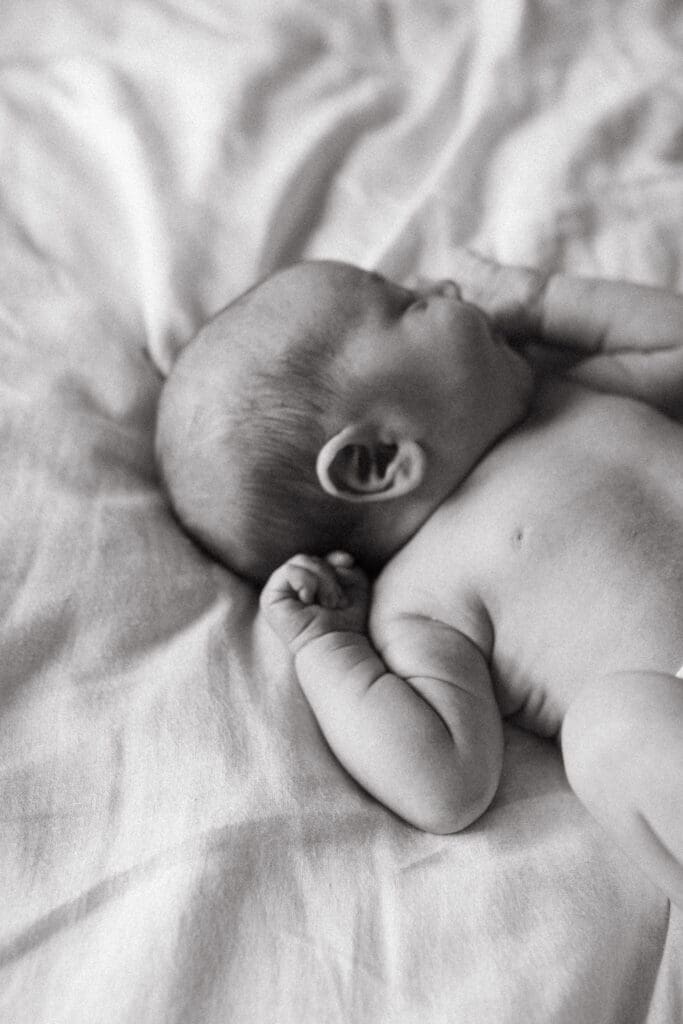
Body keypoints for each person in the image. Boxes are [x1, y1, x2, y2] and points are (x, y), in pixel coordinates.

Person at [155, 250, 683, 907]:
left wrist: (544, 299)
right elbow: (445, 784)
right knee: (608, 735)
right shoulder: (419, 601)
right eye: (409, 303)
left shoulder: (570, 396)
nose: (447, 285)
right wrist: (328, 649)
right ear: (375, 459)